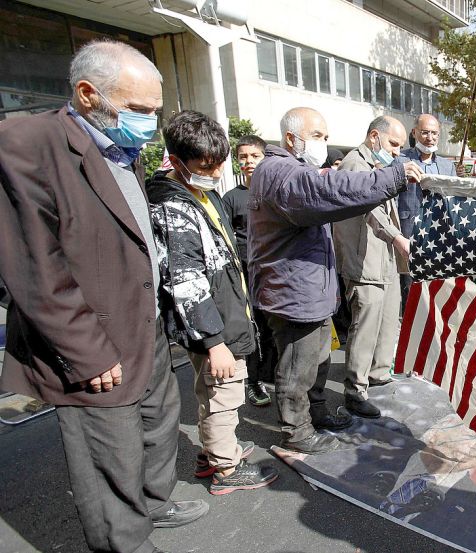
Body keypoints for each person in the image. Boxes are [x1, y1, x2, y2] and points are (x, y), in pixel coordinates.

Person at [0, 40, 208, 553]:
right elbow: (34, 268)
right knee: (108, 454)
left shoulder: (120, 145)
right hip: (94, 340)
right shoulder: (27, 143)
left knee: (157, 426)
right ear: (88, 94)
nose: (149, 123)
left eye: (155, 111)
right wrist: (86, 351)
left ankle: (154, 502)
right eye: (138, 110)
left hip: (145, 323)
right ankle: (124, 540)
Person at [248, 107, 423, 454]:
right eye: (317, 136)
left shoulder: (293, 171)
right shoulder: (282, 173)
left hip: (310, 290)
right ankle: (297, 431)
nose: (323, 144)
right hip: (294, 293)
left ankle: (316, 413)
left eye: (326, 137)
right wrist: (393, 177)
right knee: (297, 366)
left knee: (317, 359)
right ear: (290, 139)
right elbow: (330, 192)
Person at [148, 111, 278, 495]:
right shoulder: (174, 206)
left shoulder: (198, 192)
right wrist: (214, 341)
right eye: (207, 165)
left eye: (221, 161)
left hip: (221, 311)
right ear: (176, 161)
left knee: (211, 389)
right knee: (224, 393)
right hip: (212, 322)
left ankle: (215, 450)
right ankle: (226, 467)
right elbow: (185, 280)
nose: (218, 170)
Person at [333, 116, 411, 418]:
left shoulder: (378, 165)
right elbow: (370, 210)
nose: (396, 152)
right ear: (374, 136)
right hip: (364, 259)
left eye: (401, 147)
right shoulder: (355, 164)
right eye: (393, 144)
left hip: (385, 259)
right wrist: (397, 238)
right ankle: (355, 391)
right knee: (365, 327)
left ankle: (378, 374)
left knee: (388, 321)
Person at [222, 134, 275, 407]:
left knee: (273, 327)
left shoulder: (276, 192)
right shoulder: (231, 198)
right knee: (252, 328)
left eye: (254, 156)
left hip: (274, 271)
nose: (248, 162)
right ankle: (253, 381)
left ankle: (271, 375)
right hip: (245, 273)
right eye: (243, 157)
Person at [397, 114, 455, 310]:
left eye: (434, 133)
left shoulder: (448, 166)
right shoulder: (400, 160)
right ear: (414, 133)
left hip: (439, 237)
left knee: (437, 287)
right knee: (410, 288)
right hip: (409, 235)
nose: (430, 137)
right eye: (425, 132)